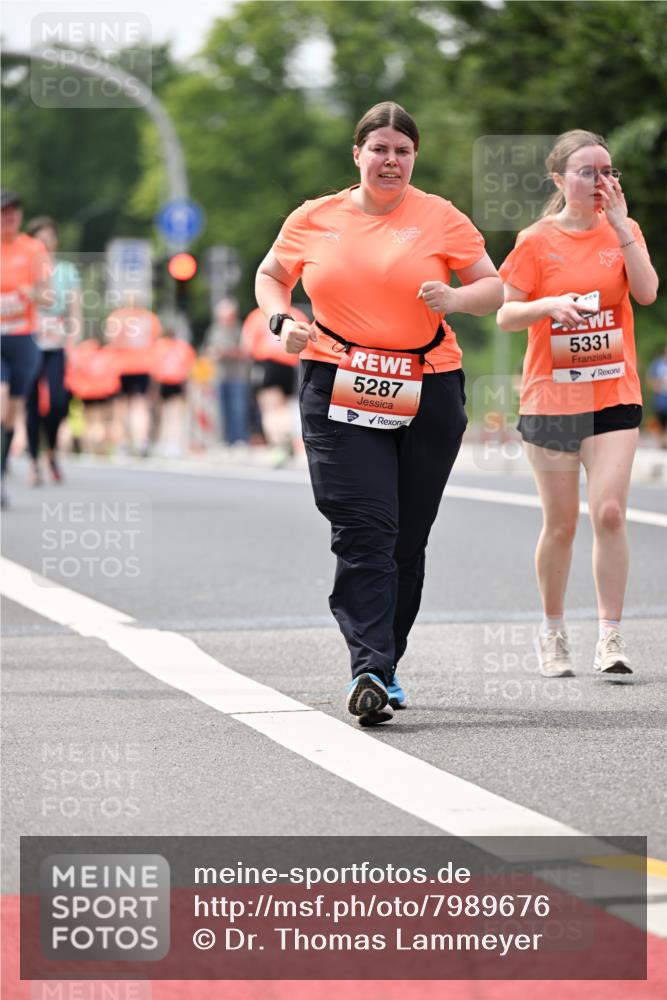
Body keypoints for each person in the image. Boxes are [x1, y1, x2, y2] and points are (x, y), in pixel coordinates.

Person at [256, 102, 502, 726]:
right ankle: (367, 665)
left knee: (407, 538)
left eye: (403, 151)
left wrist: (455, 297)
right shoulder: (315, 218)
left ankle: (385, 661)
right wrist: (281, 318)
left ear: (413, 158)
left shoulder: (440, 216)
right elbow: (270, 276)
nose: (391, 161)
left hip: (429, 383)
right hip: (339, 380)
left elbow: (493, 286)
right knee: (366, 527)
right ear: (358, 154)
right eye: (380, 149)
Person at [497, 129, 658, 682]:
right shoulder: (535, 240)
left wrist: (621, 229)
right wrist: (548, 304)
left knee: (609, 512)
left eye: (607, 172)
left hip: (614, 390)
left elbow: (646, 293)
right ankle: (553, 630)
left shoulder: (624, 229)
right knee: (561, 523)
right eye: (587, 172)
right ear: (559, 179)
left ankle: (609, 634)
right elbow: (506, 315)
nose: (600, 182)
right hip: (552, 398)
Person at [0, 190, 52, 507]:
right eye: (4, 212)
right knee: (0, 399)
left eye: (15, 212)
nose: (10, 217)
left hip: (23, 338)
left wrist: (30, 292)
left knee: (11, 414)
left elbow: (49, 297)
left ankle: (1, 472)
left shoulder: (33, 250)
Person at [24, 216, 81, 485]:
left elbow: (75, 309)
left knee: (58, 400)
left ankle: (52, 451)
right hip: (29, 339)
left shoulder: (66, 271)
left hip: (56, 340)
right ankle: (34, 462)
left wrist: (74, 339)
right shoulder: (23, 269)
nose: (45, 244)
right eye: (40, 239)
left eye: (50, 238)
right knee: (31, 403)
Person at [242, 305, 309, 464]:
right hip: (290, 364)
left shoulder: (258, 315)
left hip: (268, 363)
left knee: (269, 406)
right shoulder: (297, 314)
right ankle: (289, 440)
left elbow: (246, 346)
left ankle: (278, 444)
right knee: (285, 406)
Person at [104, 292, 161, 456]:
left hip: (122, 366)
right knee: (140, 405)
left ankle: (123, 443)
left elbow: (112, 340)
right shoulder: (149, 318)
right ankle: (141, 441)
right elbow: (154, 341)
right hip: (143, 365)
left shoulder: (117, 317)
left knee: (122, 407)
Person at [204, 298, 251, 447]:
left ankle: (240, 439)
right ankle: (226, 440)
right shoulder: (214, 330)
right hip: (220, 375)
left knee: (238, 409)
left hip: (238, 375)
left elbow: (246, 351)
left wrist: (228, 352)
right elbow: (208, 350)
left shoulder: (240, 329)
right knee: (222, 410)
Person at [149, 331, 195, 457]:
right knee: (175, 415)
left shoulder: (159, 347)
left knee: (164, 415)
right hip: (177, 382)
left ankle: (165, 442)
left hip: (164, 382)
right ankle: (173, 444)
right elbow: (189, 368)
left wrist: (154, 390)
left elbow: (153, 369)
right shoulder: (183, 347)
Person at [647, 344, 667, 449]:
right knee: (659, 423)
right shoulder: (657, 364)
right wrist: (657, 386)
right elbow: (650, 380)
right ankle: (661, 443)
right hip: (661, 400)